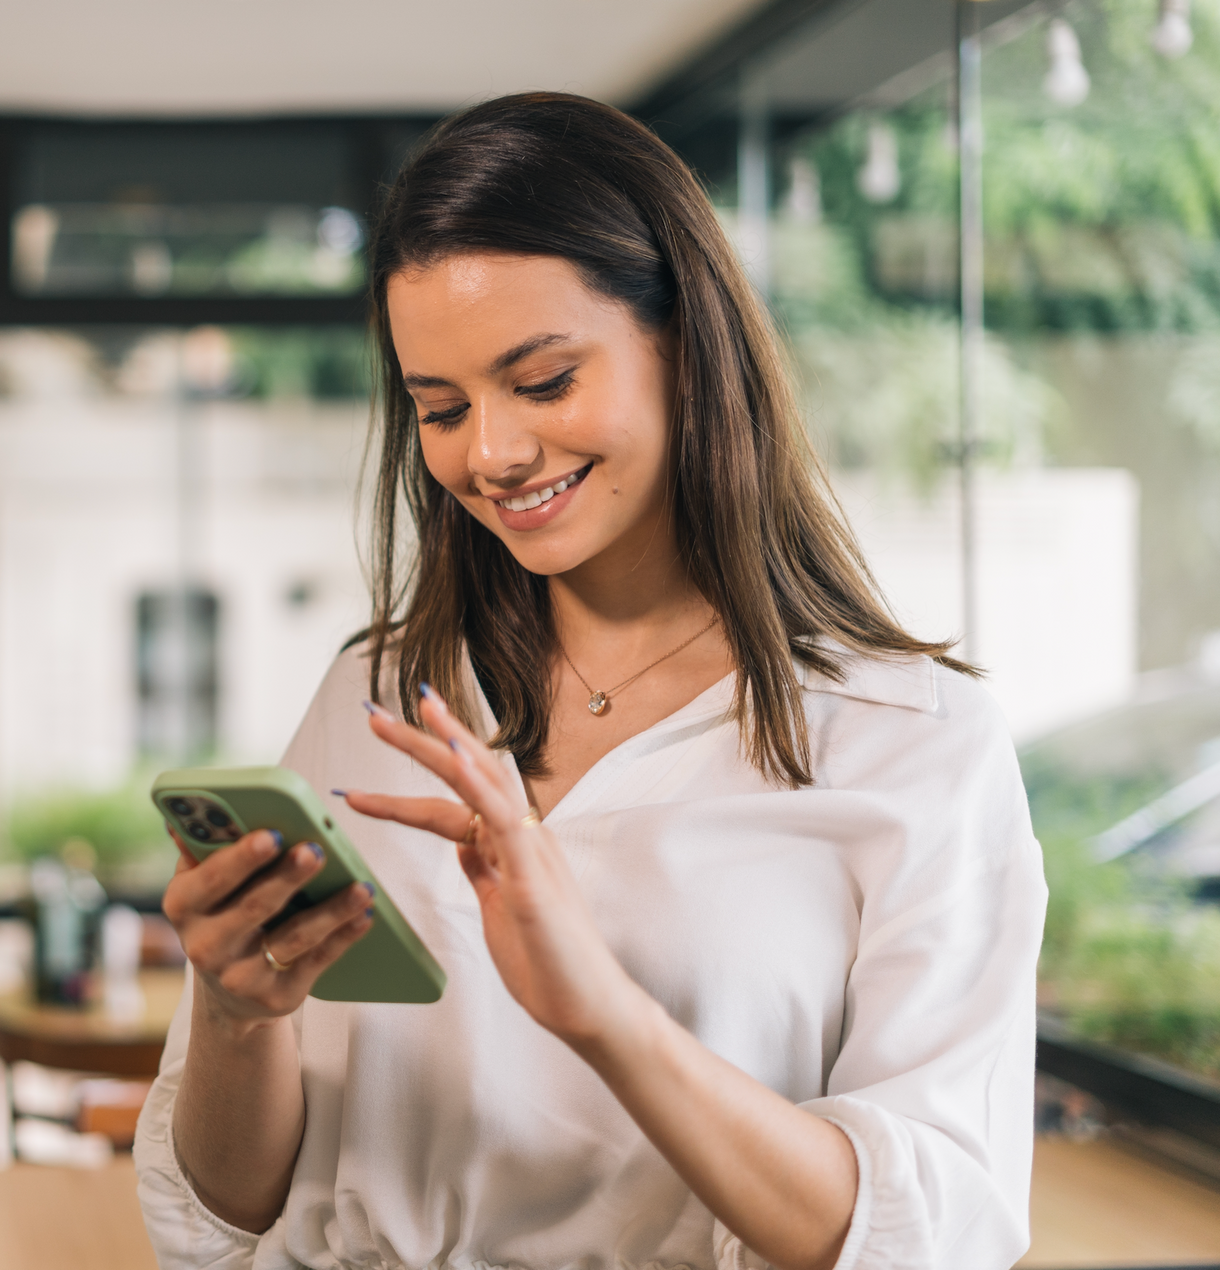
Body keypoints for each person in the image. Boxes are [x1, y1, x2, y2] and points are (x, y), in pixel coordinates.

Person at [134, 92, 1046, 1270]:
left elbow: (929, 1237)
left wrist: (604, 1012)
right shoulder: (379, 695)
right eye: (443, 409)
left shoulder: (914, 743)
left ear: (684, 340)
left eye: (545, 382)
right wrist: (238, 1014)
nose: (492, 454)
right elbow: (224, 1217)